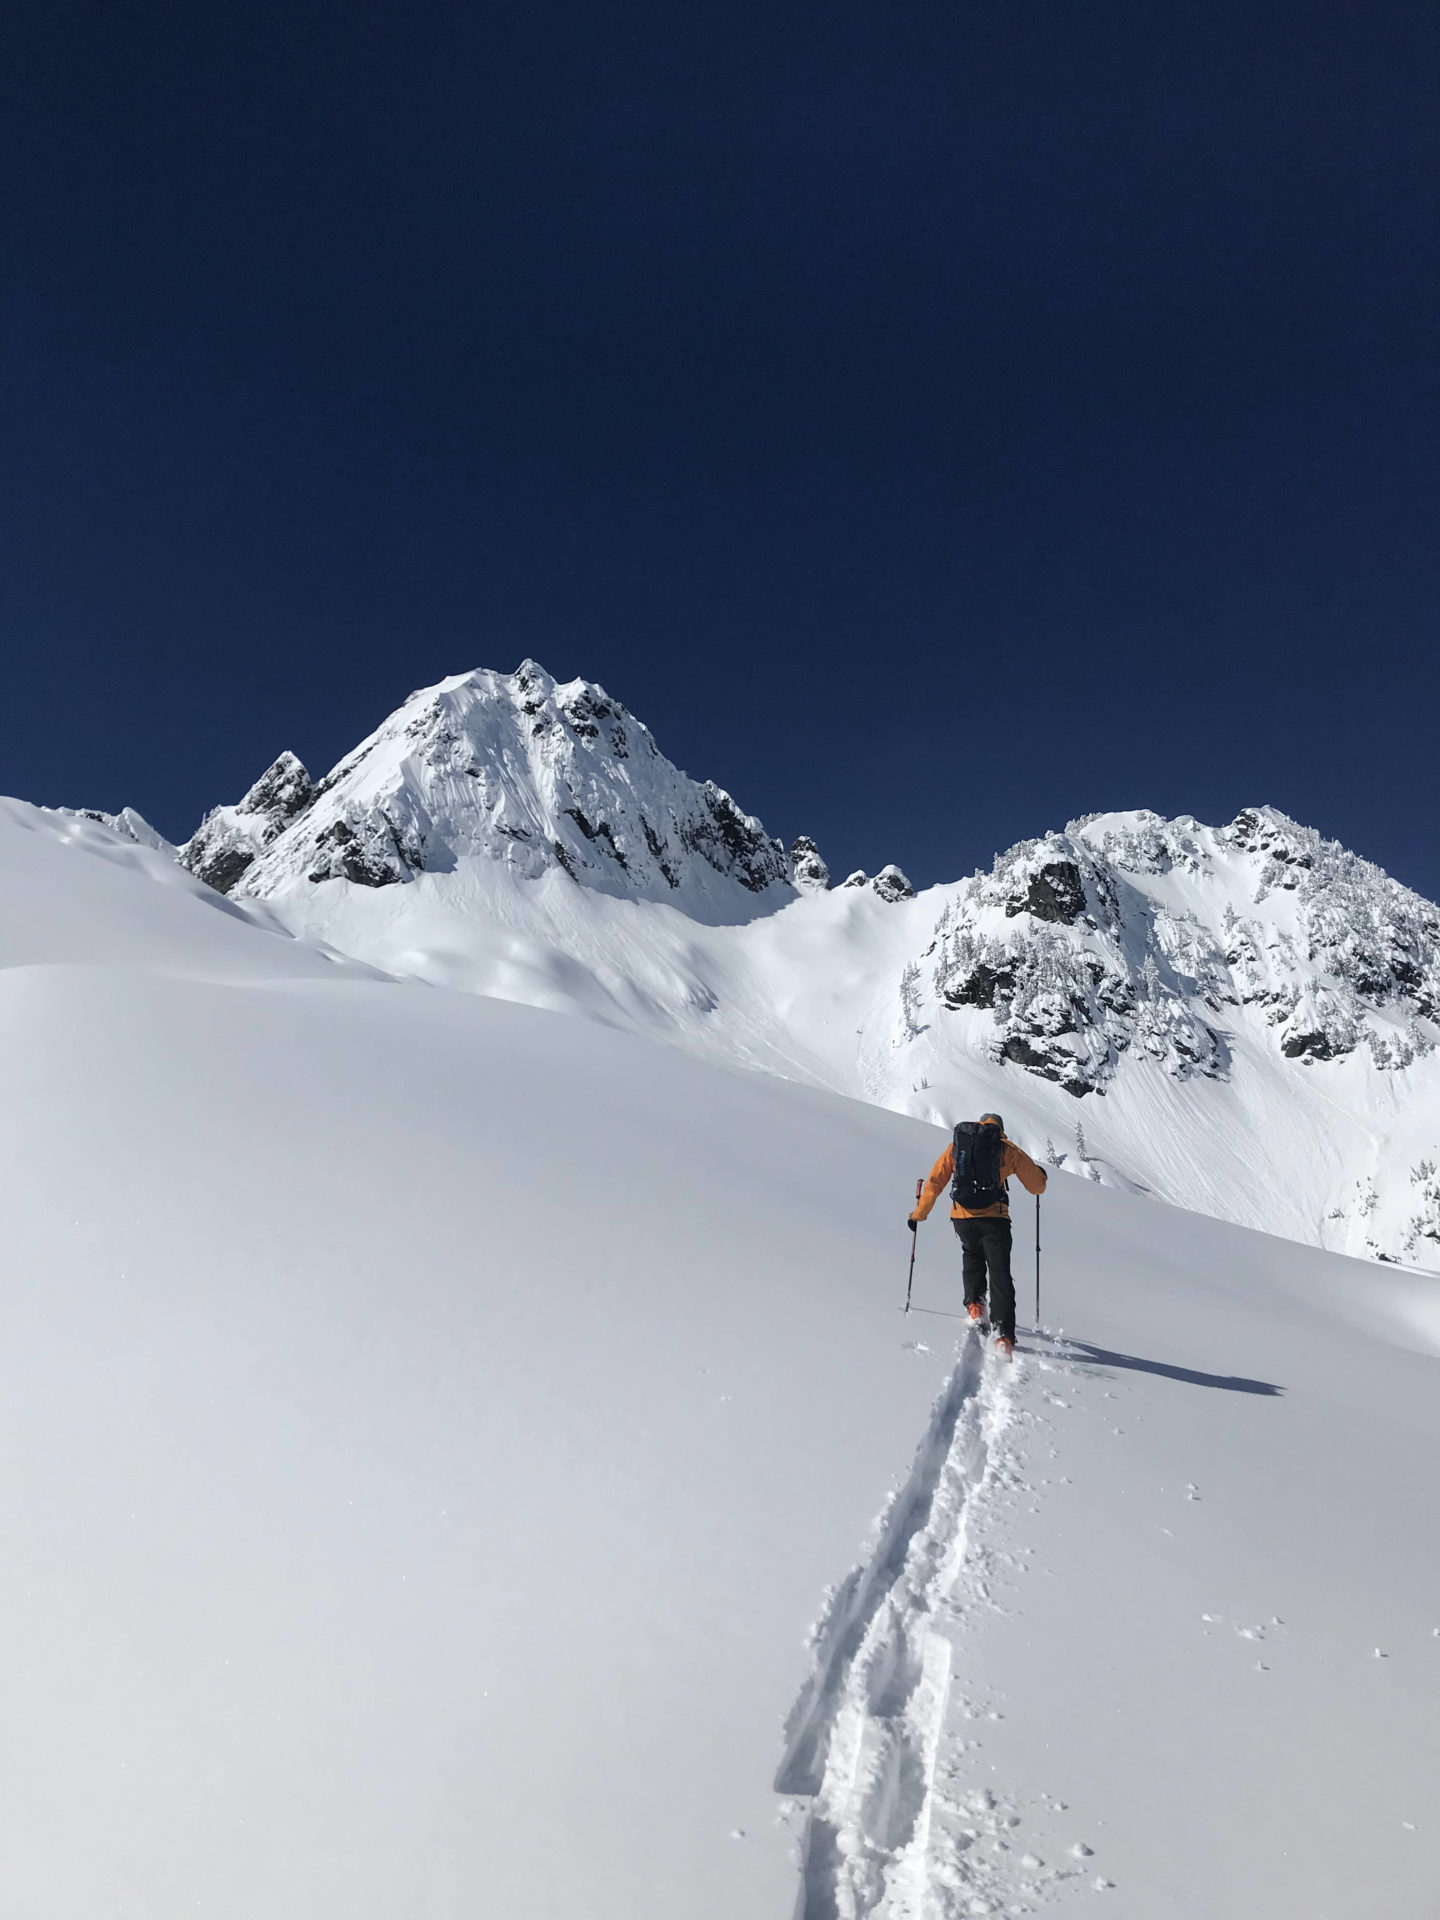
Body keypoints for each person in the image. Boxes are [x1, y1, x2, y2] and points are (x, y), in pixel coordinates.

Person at [908, 1112, 1046, 1356]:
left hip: (962, 1218)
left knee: (971, 1257)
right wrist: (1041, 1174)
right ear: (999, 1128)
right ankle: (1003, 1336)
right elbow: (1037, 1186)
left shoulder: (958, 1145)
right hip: (995, 1220)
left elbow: (935, 1181)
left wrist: (919, 1214)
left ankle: (975, 1306)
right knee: (999, 1273)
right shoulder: (1006, 1148)